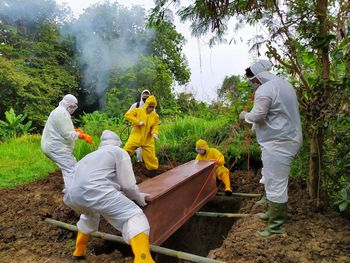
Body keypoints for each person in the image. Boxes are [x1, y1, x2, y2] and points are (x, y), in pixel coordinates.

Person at [64, 130, 155, 263]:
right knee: (134, 216)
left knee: (89, 215)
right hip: (96, 192)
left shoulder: (89, 156)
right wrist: (137, 196)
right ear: (118, 143)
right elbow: (128, 185)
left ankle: (79, 252)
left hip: (71, 195)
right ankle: (144, 260)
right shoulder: (119, 152)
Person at [239, 60, 302, 238]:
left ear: (257, 76)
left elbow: (258, 115)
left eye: (251, 79)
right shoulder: (285, 85)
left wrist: (245, 116)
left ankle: (276, 226)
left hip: (279, 142)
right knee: (270, 175)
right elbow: (277, 113)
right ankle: (271, 214)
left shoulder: (265, 89)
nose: (251, 82)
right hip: (286, 138)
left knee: (276, 182)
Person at [41, 94, 92, 188]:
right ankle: (72, 193)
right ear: (69, 105)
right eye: (73, 107)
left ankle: (72, 191)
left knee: (69, 167)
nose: (73, 109)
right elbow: (66, 134)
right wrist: (81, 135)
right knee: (71, 169)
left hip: (54, 146)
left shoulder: (59, 111)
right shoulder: (62, 113)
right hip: (56, 147)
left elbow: (61, 129)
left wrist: (75, 131)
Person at [124, 95, 159, 177]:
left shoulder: (155, 116)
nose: (151, 108)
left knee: (151, 156)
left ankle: (152, 172)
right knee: (125, 151)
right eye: (150, 106)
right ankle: (119, 166)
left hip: (148, 139)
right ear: (146, 105)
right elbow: (127, 115)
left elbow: (155, 126)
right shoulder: (138, 111)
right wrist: (137, 122)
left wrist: (154, 133)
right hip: (136, 136)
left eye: (153, 107)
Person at [128, 89, 151, 163]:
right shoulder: (136, 105)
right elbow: (129, 115)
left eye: (147, 94)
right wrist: (137, 121)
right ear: (142, 95)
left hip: (147, 131)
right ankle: (138, 163)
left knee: (146, 148)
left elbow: (154, 117)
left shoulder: (151, 107)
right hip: (136, 130)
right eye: (144, 94)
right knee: (136, 147)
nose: (146, 96)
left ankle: (144, 163)